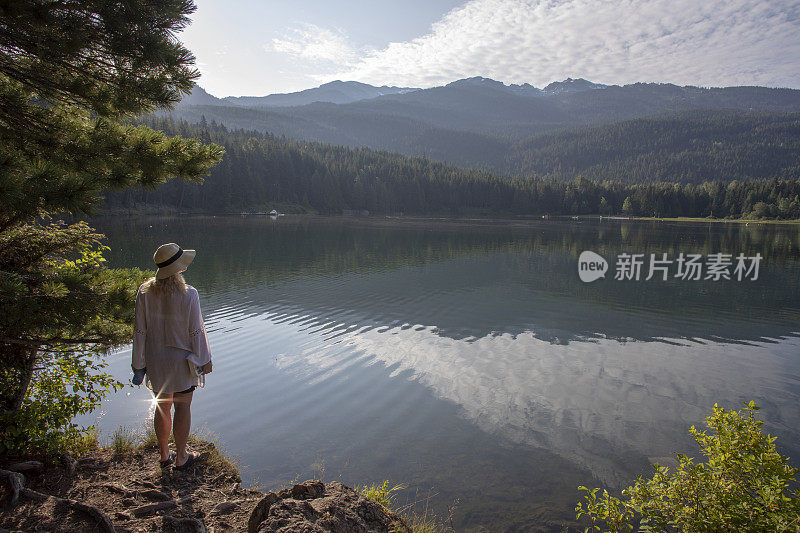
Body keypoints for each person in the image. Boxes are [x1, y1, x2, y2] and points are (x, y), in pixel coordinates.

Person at [131, 243, 213, 469]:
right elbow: (196, 331)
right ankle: (182, 457)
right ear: (178, 270)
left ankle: (164, 455)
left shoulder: (144, 292)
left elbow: (140, 330)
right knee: (183, 407)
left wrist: (138, 364)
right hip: (182, 362)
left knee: (163, 406)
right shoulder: (190, 294)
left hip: (156, 361)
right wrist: (205, 359)